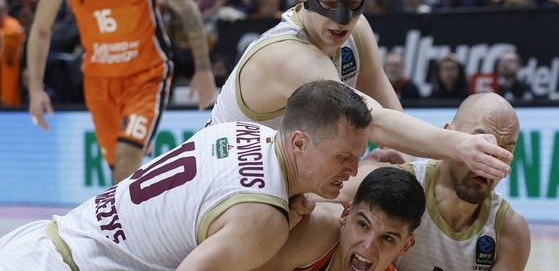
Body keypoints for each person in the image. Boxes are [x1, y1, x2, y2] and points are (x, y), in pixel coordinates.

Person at [210, 0, 513, 181]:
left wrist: (399, 166)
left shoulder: (357, 31)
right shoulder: (289, 56)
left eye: (354, 3)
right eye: (328, 2)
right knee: (339, 209)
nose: (342, 20)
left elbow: (392, 120)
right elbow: (372, 120)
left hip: (268, 180)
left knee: (396, 193)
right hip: (221, 179)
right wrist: (460, 145)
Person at [0, 80, 373, 271]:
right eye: (343, 157)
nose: (352, 169)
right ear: (299, 143)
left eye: (359, 158)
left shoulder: (244, 132)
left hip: (38, 242)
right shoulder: (264, 221)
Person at [26, 0, 216, 184]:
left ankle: (127, 228)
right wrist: (36, 88)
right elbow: (40, 30)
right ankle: (142, 221)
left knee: (127, 159)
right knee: (119, 173)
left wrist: (203, 69)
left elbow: (186, 6)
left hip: (146, 75)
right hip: (99, 80)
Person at [336, 92, 531, 271]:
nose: (490, 159)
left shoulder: (510, 232)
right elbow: (314, 201)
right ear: (448, 133)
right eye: (480, 142)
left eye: (504, 151)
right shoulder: (393, 182)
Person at [252, 166, 426, 271]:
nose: (368, 246)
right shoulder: (317, 230)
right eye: (363, 225)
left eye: (387, 238)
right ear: (347, 214)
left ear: (405, 245)